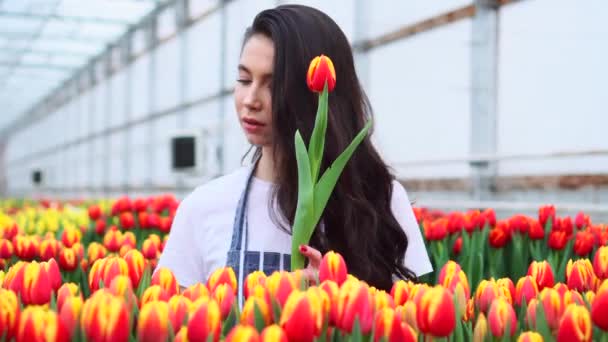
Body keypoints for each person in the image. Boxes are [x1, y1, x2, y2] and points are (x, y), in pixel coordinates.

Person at [156, 4, 432, 296]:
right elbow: (173, 321)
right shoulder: (204, 207)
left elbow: (410, 321)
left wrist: (337, 302)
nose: (250, 99)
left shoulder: (380, 201)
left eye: (272, 85)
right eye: (244, 80)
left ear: (318, 94)